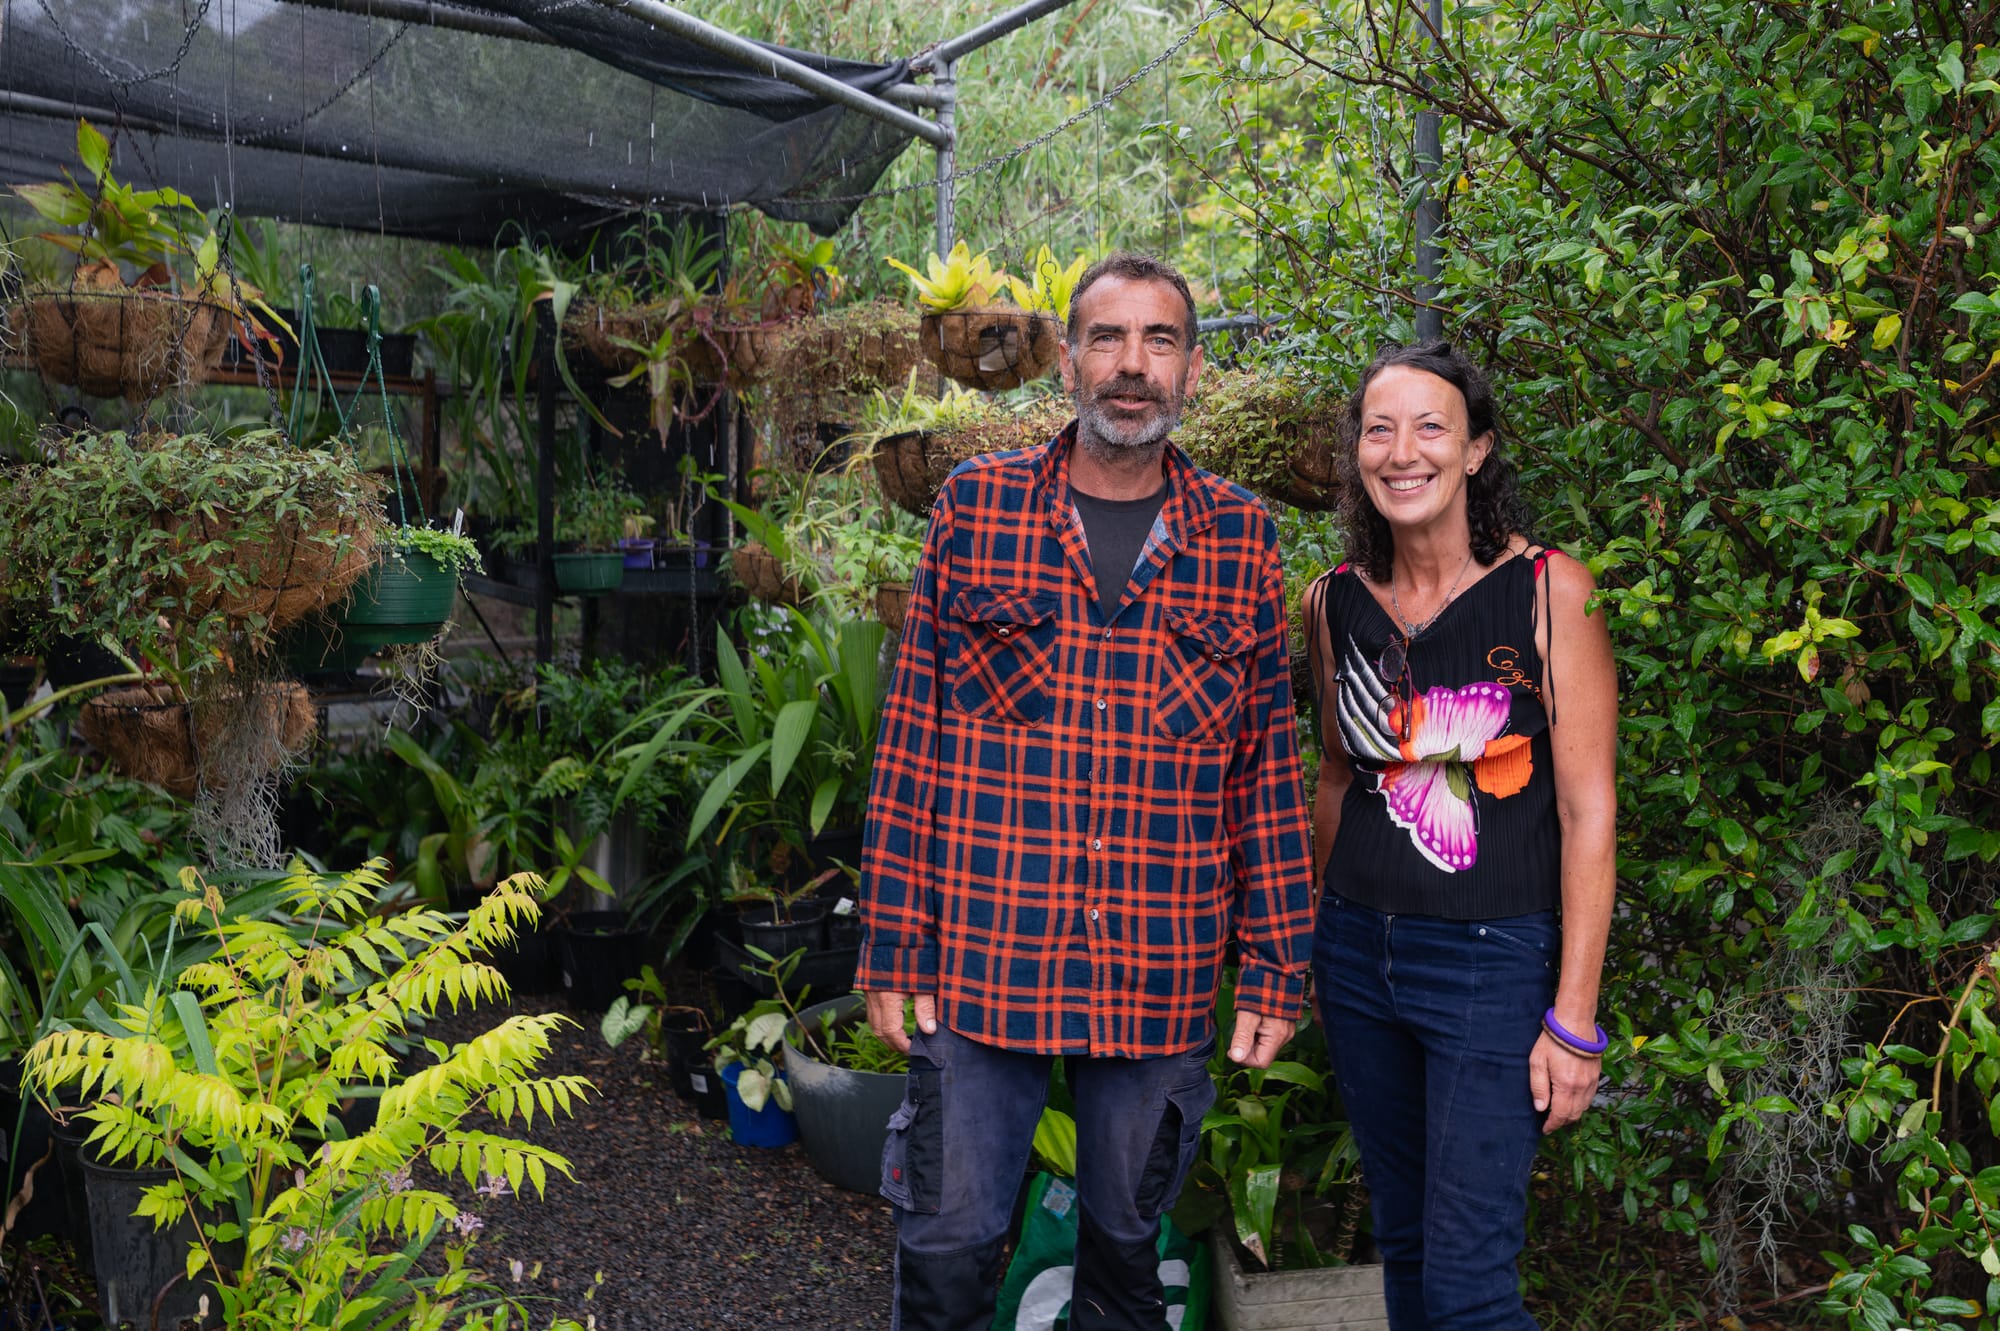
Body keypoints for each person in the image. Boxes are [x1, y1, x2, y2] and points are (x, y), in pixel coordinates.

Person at [858, 252, 1314, 1331]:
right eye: (1106, 337)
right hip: (983, 951)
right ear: (1066, 359)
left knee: (1124, 1255)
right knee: (947, 1248)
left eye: (1158, 341)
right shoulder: (977, 507)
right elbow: (911, 735)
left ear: (1191, 370)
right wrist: (888, 941)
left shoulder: (1240, 536)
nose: (1130, 365)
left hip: (1154, 963)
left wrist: (1277, 962)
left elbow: (1263, 775)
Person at [1300, 341, 1619, 1330]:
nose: (1401, 450)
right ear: (1356, 452)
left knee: (1468, 1286)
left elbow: (1587, 809)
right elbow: (1335, 774)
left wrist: (1572, 1019)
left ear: (1475, 449)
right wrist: (1316, 937)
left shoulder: (1547, 592)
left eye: (1429, 425)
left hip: (1490, 960)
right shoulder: (1332, 601)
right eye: (1377, 427)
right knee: (1403, 1243)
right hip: (1357, 956)